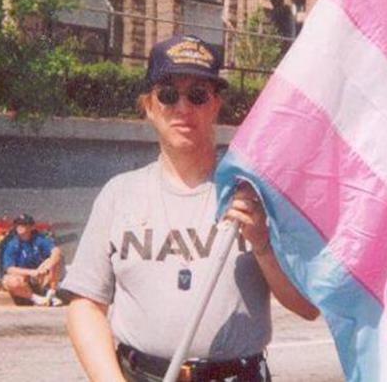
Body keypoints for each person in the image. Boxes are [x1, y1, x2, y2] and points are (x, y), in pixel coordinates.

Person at [62, 35, 319, 382]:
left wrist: (262, 244)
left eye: (198, 95)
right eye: (168, 94)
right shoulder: (119, 195)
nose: (183, 107)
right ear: (149, 107)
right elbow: (86, 305)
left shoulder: (256, 195)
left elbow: (307, 307)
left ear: (215, 105)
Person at [1, 213, 64, 306]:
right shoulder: (12, 244)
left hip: (42, 277)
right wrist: (32, 272)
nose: (20, 227)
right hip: (25, 278)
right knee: (9, 281)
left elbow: (56, 251)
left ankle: (51, 293)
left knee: (57, 257)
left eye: (24, 224)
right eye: (18, 224)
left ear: (31, 227)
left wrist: (45, 269)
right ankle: (37, 299)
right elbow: (9, 268)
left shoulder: (40, 239)